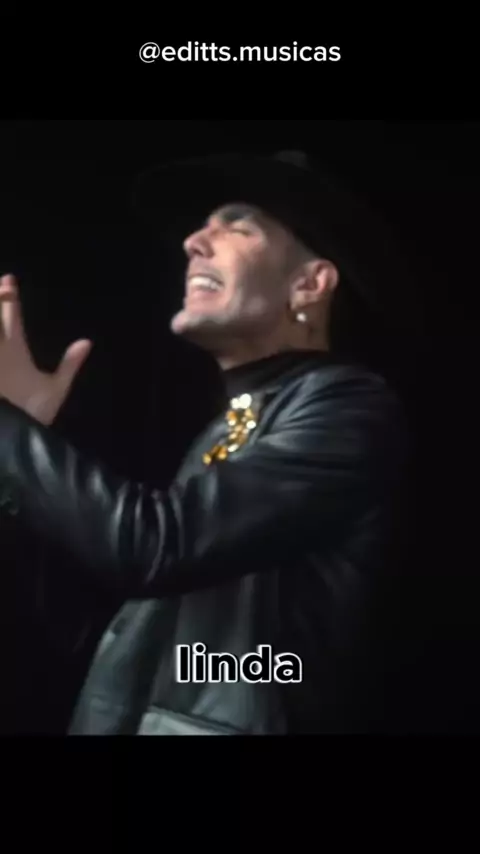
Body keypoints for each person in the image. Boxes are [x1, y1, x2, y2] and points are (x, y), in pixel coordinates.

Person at [0, 150, 411, 734]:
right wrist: (21, 452)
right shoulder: (232, 423)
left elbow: (154, 547)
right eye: (201, 229)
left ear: (309, 284)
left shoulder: (347, 406)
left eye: (237, 227)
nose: (194, 242)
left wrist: (11, 435)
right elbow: (100, 637)